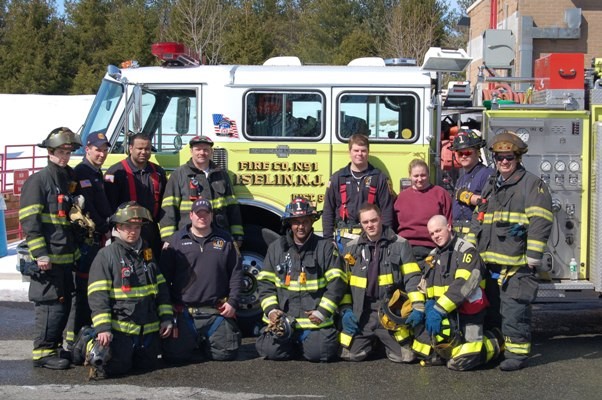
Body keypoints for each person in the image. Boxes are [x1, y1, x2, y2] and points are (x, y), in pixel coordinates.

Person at [468, 131, 553, 371]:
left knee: (514, 310)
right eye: (499, 158)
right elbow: (479, 216)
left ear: (518, 159)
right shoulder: (492, 184)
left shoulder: (532, 184)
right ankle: (499, 348)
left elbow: (541, 221)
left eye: (509, 158)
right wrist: (470, 248)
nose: (504, 162)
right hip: (490, 262)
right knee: (494, 312)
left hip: (517, 265)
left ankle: (518, 354)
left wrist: (533, 256)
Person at [74, 202, 173, 378]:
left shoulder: (147, 252)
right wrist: (103, 327)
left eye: (137, 227)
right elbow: (98, 295)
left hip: (146, 328)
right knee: (115, 368)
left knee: (147, 365)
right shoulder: (107, 255)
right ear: (118, 227)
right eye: (127, 226)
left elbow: (161, 287)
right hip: (120, 329)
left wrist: (166, 318)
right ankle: (89, 341)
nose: (132, 231)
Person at [19, 127, 82, 369]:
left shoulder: (68, 178)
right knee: (49, 305)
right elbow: (30, 222)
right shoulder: (39, 181)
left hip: (66, 256)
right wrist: (41, 254)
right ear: (49, 152)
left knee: (63, 304)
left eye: (68, 151)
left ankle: (54, 347)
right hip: (49, 256)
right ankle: (42, 353)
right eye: (60, 151)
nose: (65, 156)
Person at [255, 197, 347, 362]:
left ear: (312, 222)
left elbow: (337, 283)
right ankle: (293, 344)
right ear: (289, 223)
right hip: (284, 322)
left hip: (314, 324)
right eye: (296, 222)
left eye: (305, 221)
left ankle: (304, 343)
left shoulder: (325, 248)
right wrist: (271, 310)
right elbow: (265, 283)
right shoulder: (276, 248)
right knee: (270, 352)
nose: (301, 226)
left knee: (320, 354)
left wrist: (322, 312)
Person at [411, 215, 501, 370]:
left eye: (438, 231)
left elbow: (464, 286)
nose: (435, 236)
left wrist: (438, 309)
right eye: (432, 234)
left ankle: (496, 340)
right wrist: (426, 304)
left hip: (469, 314)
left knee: (458, 362)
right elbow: (425, 284)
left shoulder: (467, 251)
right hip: (446, 314)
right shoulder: (432, 256)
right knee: (422, 351)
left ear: (449, 227)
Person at [338, 203, 424, 363]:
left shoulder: (400, 244)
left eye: (373, 220)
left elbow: (412, 278)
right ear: (361, 224)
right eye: (365, 222)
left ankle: (382, 340)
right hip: (362, 312)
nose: (370, 225)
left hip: (389, 311)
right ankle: (373, 341)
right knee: (350, 355)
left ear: (381, 219)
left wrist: (418, 307)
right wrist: (345, 309)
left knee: (405, 357)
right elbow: (343, 284)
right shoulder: (351, 248)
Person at [160, 198, 243, 362]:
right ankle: (192, 340)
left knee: (225, 355)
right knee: (175, 357)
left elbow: (236, 273)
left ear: (211, 216)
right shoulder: (175, 242)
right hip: (184, 313)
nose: (202, 217)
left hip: (216, 312)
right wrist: (166, 312)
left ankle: (204, 341)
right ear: (191, 215)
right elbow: (163, 280)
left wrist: (233, 302)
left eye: (206, 213)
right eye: (198, 214)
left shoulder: (226, 241)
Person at [65, 132, 113, 349]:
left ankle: (82, 334)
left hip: (97, 239)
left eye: (104, 150)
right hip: (87, 242)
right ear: (87, 149)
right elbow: (87, 208)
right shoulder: (82, 173)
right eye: (98, 149)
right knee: (83, 289)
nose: (102, 154)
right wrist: (105, 226)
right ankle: (73, 339)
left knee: (92, 286)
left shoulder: (95, 172)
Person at [159, 135, 243, 246]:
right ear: (191, 151)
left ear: (211, 152)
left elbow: (233, 207)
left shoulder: (221, 174)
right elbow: (169, 207)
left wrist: (237, 235)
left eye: (206, 150)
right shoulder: (179, 174)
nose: (202, 153)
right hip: (188, 236)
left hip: (219, 234)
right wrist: (168, 239)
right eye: (198, 149)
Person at [323, 133, 394, 249]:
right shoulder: (337, 178)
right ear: (349, 152)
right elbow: (328, 210)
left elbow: (387, 211)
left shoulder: (379, 178)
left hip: (372, 238)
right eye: (356, 150)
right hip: (343, 239)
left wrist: (385, 238)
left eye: (363, 151)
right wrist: (328, 240)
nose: (359, 154)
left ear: (368, 152)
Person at [104, 133, 167, 258]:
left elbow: (164, 206)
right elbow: (109, 205)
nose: (144, 152)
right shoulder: (116, 172)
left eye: (147, 149)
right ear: (130, 148)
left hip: (151, 231)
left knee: (152, 267)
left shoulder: (158, 173)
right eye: (140, 148)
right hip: (126, 231)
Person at [394, 158, 452, 262]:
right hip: (406, 248)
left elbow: (449, 222)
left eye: (423, 175)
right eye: (416, 176)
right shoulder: (401, 198)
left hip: (433, 247)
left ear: (429, 175)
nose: (420, 179)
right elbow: (394, 225)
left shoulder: (440, 194)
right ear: (410, 176)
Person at [449, 129, 493, 237]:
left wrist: (468, 197)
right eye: (460, 153)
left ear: (478, 152)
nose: (463, 156)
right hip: (459, 234)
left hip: (477, 233)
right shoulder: (461, 179)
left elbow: (491, 203)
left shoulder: (487, 174)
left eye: (467, 152)